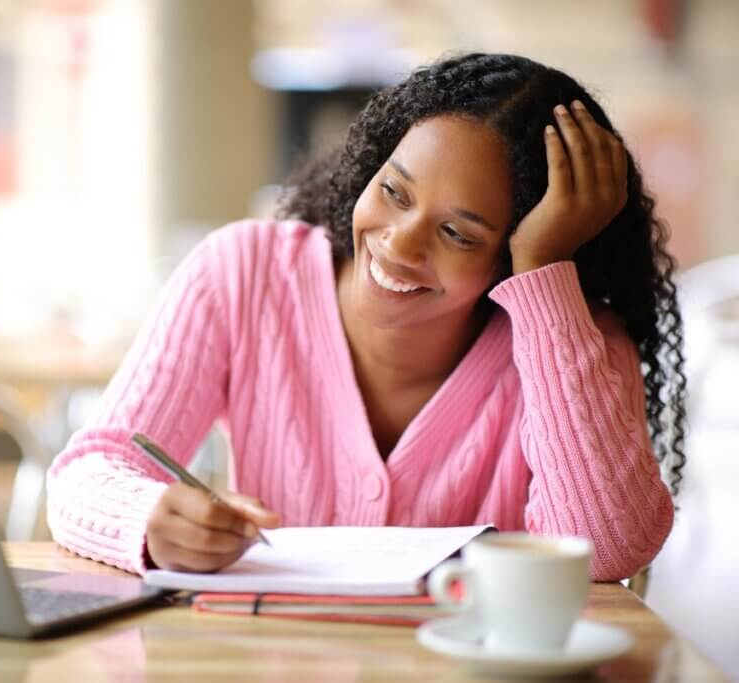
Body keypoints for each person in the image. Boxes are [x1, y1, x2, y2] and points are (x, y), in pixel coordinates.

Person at [45, 52, 685, 582]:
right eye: (393, 192)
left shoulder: (571, 338)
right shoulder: (244, 274)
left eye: (458, 234)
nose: (400, 245)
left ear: (508, 256)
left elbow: (606, 551)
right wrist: (150, 517)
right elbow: (84, 477)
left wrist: (546, 272)